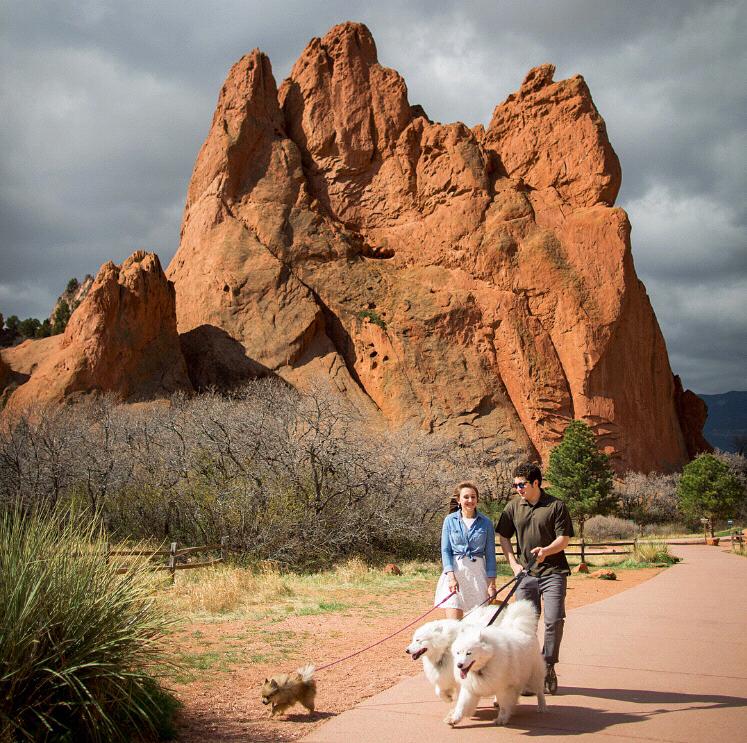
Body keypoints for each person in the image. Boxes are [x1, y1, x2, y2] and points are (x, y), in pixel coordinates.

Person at [496, 462, 574, 694]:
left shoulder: (556, 506)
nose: (518, 488)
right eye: (515, 485)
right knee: (524, 626)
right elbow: (503, 536)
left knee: (553, 620)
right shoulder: (513, 507)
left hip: (554, 572)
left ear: (536, 483)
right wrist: (512, 563)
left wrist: (546, 551)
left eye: (522, 484)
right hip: (525, 575)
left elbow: (564, 539)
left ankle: (548, 665)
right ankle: (528, 674)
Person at [434, 481, 497, 620]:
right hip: (455, 574)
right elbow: (446, 550)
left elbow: (490, 555)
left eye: (473, 497)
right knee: (453, 625)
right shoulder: (449, 520)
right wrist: (451, 577)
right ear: (458, 500)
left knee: (476, 625)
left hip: (477, 575)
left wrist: (492, 583)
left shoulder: (486, 523)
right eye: (466, 497)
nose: (470, 500)